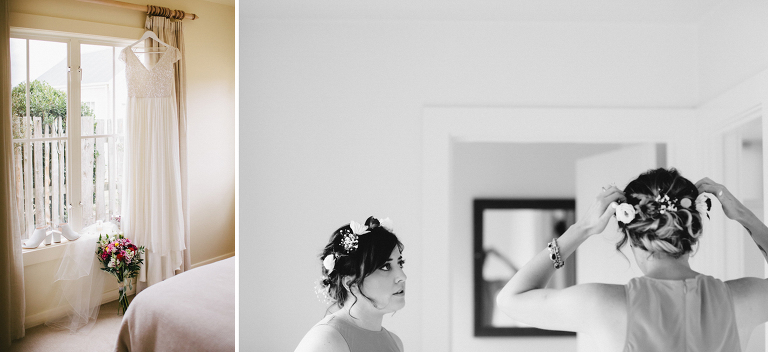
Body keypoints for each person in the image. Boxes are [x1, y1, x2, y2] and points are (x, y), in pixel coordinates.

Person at [496, 168, 768, 352]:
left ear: (630, 233)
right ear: (693, 229)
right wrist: (745, 216)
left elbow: (510, 299)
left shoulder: (601, 304)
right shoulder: (742, 299)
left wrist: (582, 229)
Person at [295, 216, 406, 352]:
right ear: (349, 282)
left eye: (400, 264)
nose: (402, 276)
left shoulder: (395, 342)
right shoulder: (326, 341)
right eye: (385, 266)